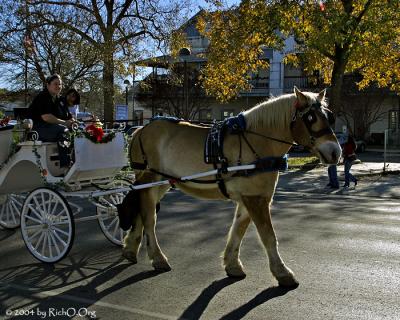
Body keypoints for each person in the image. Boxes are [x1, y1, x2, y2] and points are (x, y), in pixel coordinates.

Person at [28, 74, 75, 168]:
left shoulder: (61, 100)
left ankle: (76, 162)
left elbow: (68, 117)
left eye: (60, 84)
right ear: (48, 85)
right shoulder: (43, 97)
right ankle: (66, 166)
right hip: (38, 129)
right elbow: (46, 117)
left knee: (77, 132)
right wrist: (65, 123)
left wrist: (72, 121)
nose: (58, 86)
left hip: (54, 129)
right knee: (64, 131)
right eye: (55, 84)